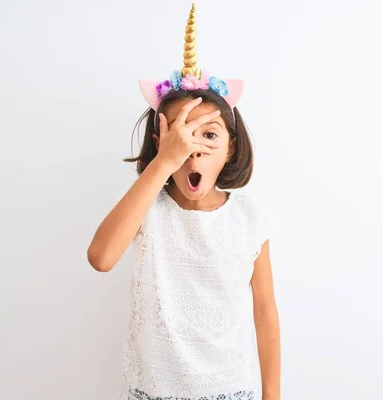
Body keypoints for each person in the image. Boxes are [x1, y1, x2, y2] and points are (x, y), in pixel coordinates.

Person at [86, 3, 282, 399]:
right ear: (160, 145)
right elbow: (101, 258)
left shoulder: (249, 218)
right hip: (153, 389)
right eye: (179, 135)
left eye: (208, 135)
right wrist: (163, 163)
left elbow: (264, 310)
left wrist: (272, 394)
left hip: (231, 388)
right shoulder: (147, 210)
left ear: (230, 148)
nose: (192, 149)